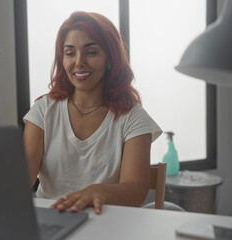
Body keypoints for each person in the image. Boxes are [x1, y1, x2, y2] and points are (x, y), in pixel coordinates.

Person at [23, 11, 162, 215]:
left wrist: (98, 192)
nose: (79, 62)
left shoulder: (133, 117)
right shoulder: (44, 110)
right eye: (70, 53)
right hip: (52, 222)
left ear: (109, 59)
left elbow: (136, 191)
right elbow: (22, 178)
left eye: (91, 52)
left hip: (107, 224)